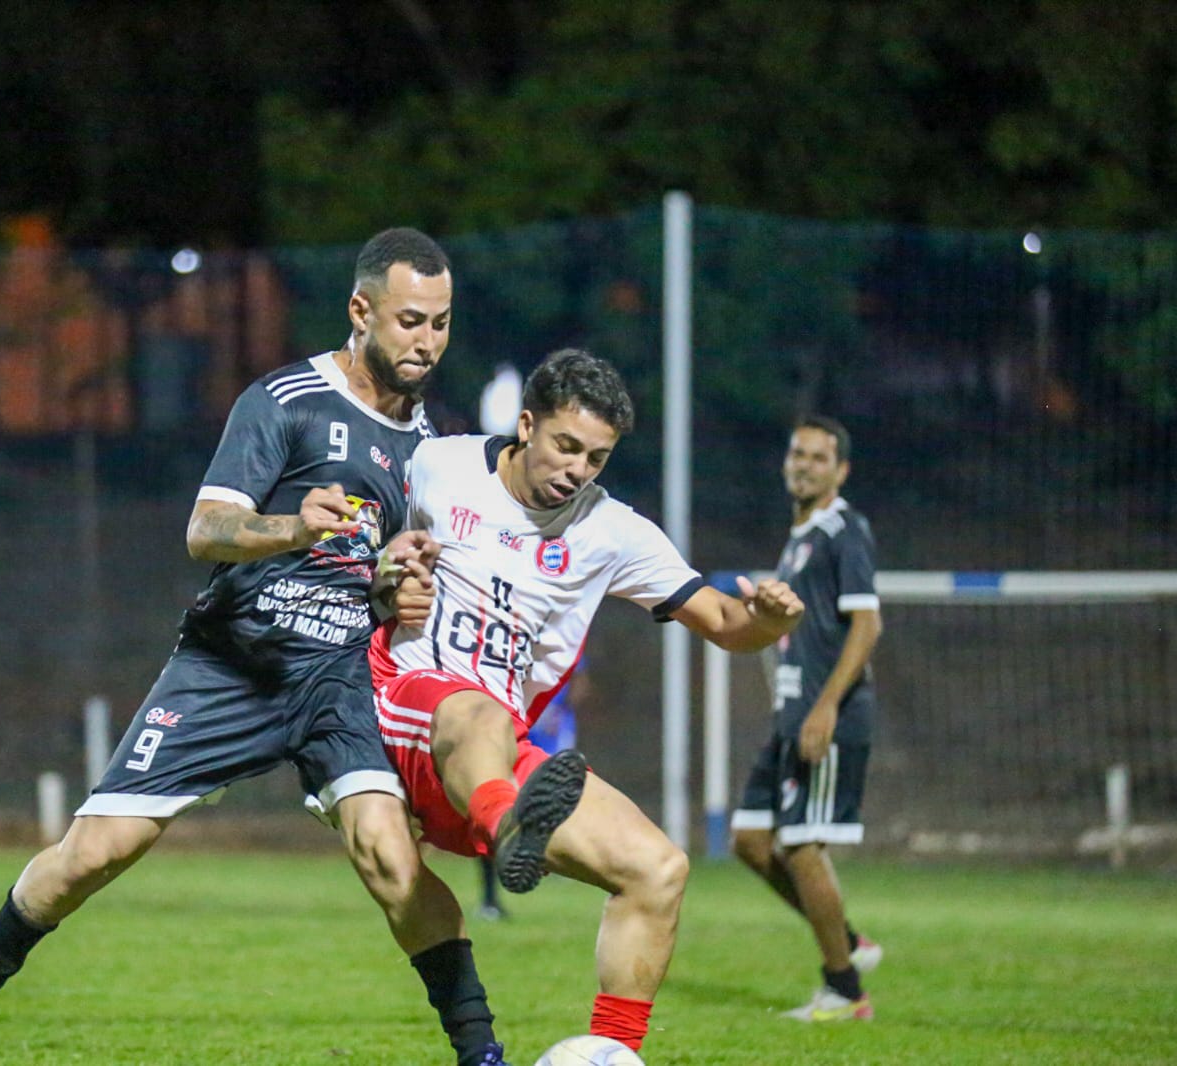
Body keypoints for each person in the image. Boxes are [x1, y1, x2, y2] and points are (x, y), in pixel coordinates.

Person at [0, 228, 515, 1066]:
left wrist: (400, 585)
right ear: (361, 311)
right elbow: (206, 529)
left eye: (440, 323)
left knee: (391, 861)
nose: (427, 342)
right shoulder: (286, 399)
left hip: (338, 680)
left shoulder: (426, 446)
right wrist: (294, 525)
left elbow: (379, 572)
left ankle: (483, 1055)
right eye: (410, 321)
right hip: (232, 661)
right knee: (96, 853)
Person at [371, 348, 804, 1053]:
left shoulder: (612, 532)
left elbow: (726, 623)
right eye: (566, 446)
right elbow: (362, 545)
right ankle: (510, 826)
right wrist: (388, 570)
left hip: (495, 754)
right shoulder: (437, 465)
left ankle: (612, 1052)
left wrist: (771, 623)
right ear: (526, 425)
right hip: (406, 709)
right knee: (475, 708)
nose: (576, 469)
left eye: (596, 458)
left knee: (656, 870)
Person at [729, 415, 885, 1023]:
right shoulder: (799, 538)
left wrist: (824, 708)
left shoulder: (845, 530)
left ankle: (844, 990)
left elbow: (868, 625)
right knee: (749, 839)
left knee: (801, 846)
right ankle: (846, 940)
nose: (804, 464)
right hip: (792, 713)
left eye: (819, 457)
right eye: (797, 453)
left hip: (829, 715)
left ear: (840, 470)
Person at [474, 657, 585, 920]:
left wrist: (561, 710)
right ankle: (492, 895)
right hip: (515, 729)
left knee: (557, 794)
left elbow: (580, 681)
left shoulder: (561, 639)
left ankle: (551, 856)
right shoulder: (505, 644)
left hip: (551, 735)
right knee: (497, 802)